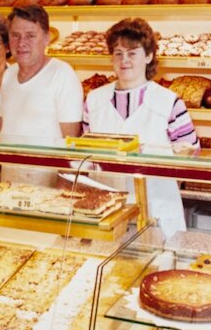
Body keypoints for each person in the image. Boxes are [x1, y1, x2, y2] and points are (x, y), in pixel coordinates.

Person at [82, 18, 199, 237]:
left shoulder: (169, 102)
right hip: (108, 210)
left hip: (159, 210)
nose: (124, 60)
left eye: (132, 53)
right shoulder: (94, 100)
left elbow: (190, 157)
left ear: (148, 56)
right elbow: (86, 155)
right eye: (118, 53)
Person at [0, 5, 83, 184]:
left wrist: (61, 195)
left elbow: (71, 145)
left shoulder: (62, 75)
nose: (21, 43)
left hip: (46, 187)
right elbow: (1, 130)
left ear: (47, 38)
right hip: (9, 182)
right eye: (15, 35)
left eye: (31, 36)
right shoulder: (9, 74)